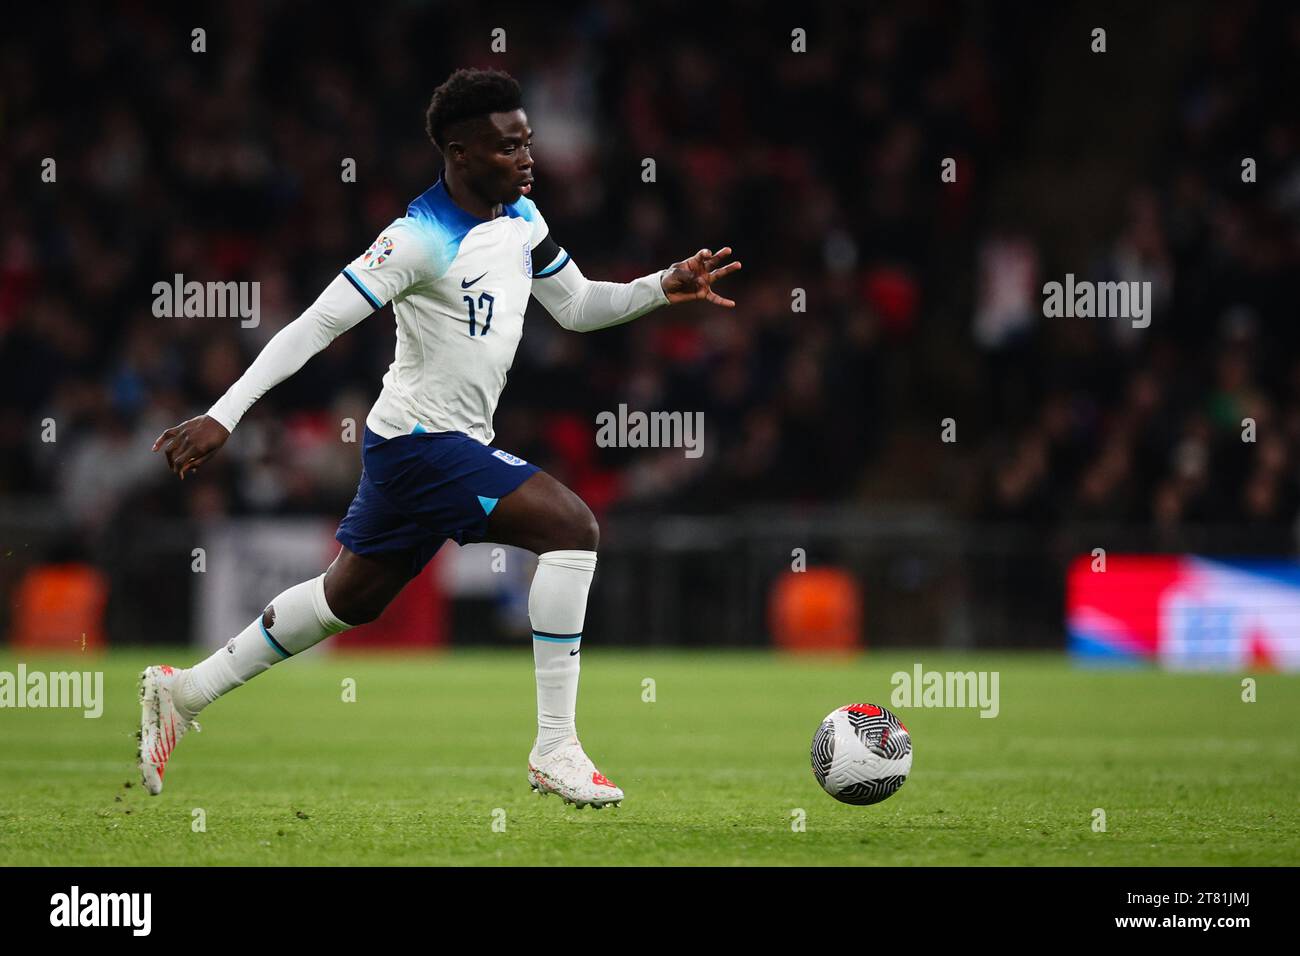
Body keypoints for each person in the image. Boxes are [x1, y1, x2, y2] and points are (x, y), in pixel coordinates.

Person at [142, 67, 741, 808]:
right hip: (422, 444)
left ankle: (186, 692)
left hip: (422, 446)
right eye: (506, 147)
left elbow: (580, 305)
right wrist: (225, 413)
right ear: (458, 153)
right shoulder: (417, 238)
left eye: (527, 142)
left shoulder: (523, 218)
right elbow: (315, 326)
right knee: (573, 528)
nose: (526, 159)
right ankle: (556, 747)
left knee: (347, 601)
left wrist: (661, 286)